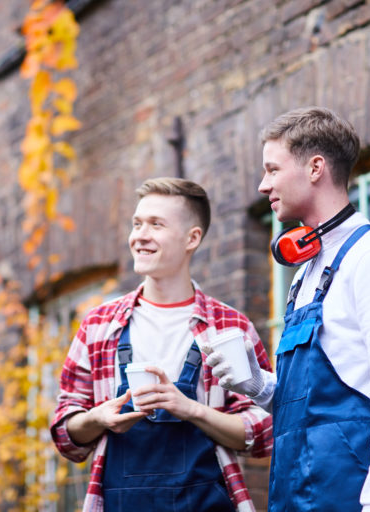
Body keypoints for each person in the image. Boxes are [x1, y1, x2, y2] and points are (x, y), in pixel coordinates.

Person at [207, 107, 370, 512]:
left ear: (315, 168)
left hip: (354, 499)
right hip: (295, 495)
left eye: (272, 170)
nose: (262, 185)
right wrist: (257, 386)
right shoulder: (306, 272)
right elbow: (312, 408)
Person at [51, 177, 273, 512]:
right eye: (137, 224)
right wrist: (98, 418)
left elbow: (263, 433)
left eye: (156, 225)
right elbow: (66, 436)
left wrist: (192, 410)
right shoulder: (98, 325)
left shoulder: (229, 327)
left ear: (191, 238)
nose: (140, 236)